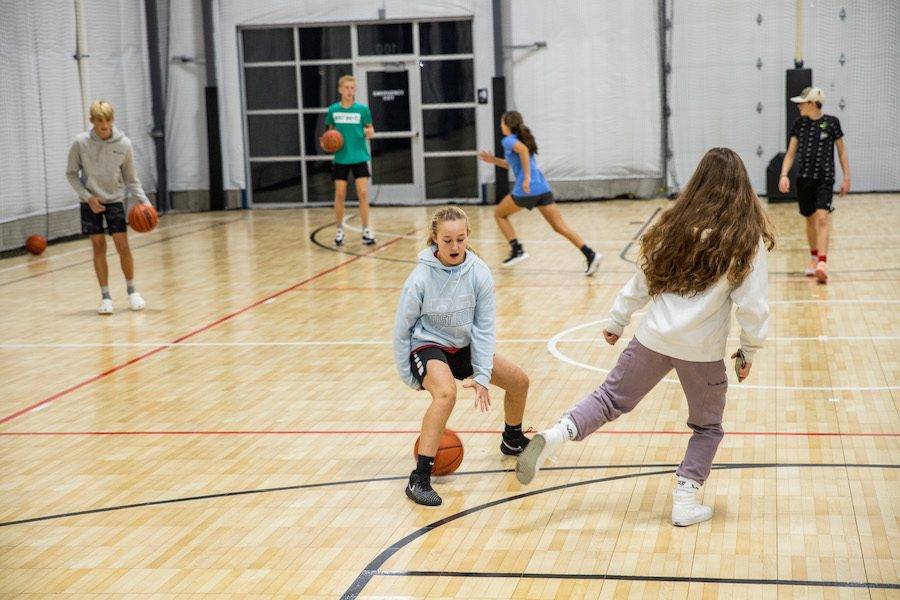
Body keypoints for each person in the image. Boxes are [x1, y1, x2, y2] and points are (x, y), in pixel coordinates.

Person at [517, 148, 774, 527]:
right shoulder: (744, 240)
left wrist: (618, 319)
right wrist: (748, 350)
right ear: (741, 188)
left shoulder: (675, 226)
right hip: (700, 353)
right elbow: (752, 307)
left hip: (652, 338)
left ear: (697, 182)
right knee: (707, 426)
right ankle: (685, 500)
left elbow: (644, 278)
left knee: (608, 399)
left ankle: (558, 434)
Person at [393, 206, 531, 506]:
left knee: (519, 382)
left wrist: (481, 375)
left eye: (460, 239)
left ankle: (512, 439)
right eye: (447, 240)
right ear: (434, 239)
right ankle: (419, 479)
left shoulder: (479, 272)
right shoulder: (419, 278)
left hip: (464, 346)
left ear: (468, 236)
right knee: (446, 394)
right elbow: (402, 328)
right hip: (428, 344)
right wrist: (408, 374)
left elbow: (484, 328)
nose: (455, 247)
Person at [479, 111, 601, 275]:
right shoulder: (521, 140)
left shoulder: (508, 141)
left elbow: (522, 152)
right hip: (543, 189)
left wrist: (527, 178)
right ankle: (590, 254)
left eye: (501, 123)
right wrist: (492, 160)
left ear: (507, 125)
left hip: (526, 190)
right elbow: (514, 164)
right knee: (560, 226)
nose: (500, 126)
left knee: (499, 214)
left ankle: (517, 250)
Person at [66, 100, 152, 315]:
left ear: (113, 120)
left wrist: (146, 203)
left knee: (123, 245)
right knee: (98, 247)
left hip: (114, 200)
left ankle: (132, 291)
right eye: (99, 123)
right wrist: (87, 197)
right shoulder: (80, 142)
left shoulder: (124, 144)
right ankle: (105, 297)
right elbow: (71, 174)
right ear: (92, 121)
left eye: (107, 122)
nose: (104, 127)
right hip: (91, 202)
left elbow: (131, 179)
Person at [778, 86, 850, 284]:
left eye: (802, 103)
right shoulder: (799, 124)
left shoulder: (832, 123)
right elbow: (791, 153)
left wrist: (847, 178)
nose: (799, 106)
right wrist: (784, 174)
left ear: (812, 103)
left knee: (822, 218)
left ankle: (822, 263)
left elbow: (842, 152)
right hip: (804, 179)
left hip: (825, 179)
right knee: (809, 219)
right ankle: (813, 257)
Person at [322, 75, 376, 246]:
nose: (349, 91)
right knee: (339, 194)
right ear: (340, 89)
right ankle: (339, 230)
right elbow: (329, 134)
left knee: (363, 192)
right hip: (341, 158)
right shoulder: (333, 111)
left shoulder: (362, 109)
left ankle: (366, 230)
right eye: (346, 88)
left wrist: (369, 132)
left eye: (352, 88)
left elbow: (370, 128)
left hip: (359, 156)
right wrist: (326, 143)